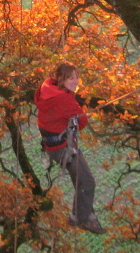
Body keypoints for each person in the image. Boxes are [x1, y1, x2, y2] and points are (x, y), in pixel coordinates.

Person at [34, 62, 106, 235]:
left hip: (53, 146)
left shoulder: (46, 89)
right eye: (71, 78)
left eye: (76, 77)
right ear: (61, 79)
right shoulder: (64, 99)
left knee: (80, 180)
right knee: (87, 182)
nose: (76, 81)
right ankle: (79, 218)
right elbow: (82, 123)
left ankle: (86, 215)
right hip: (63, 148)